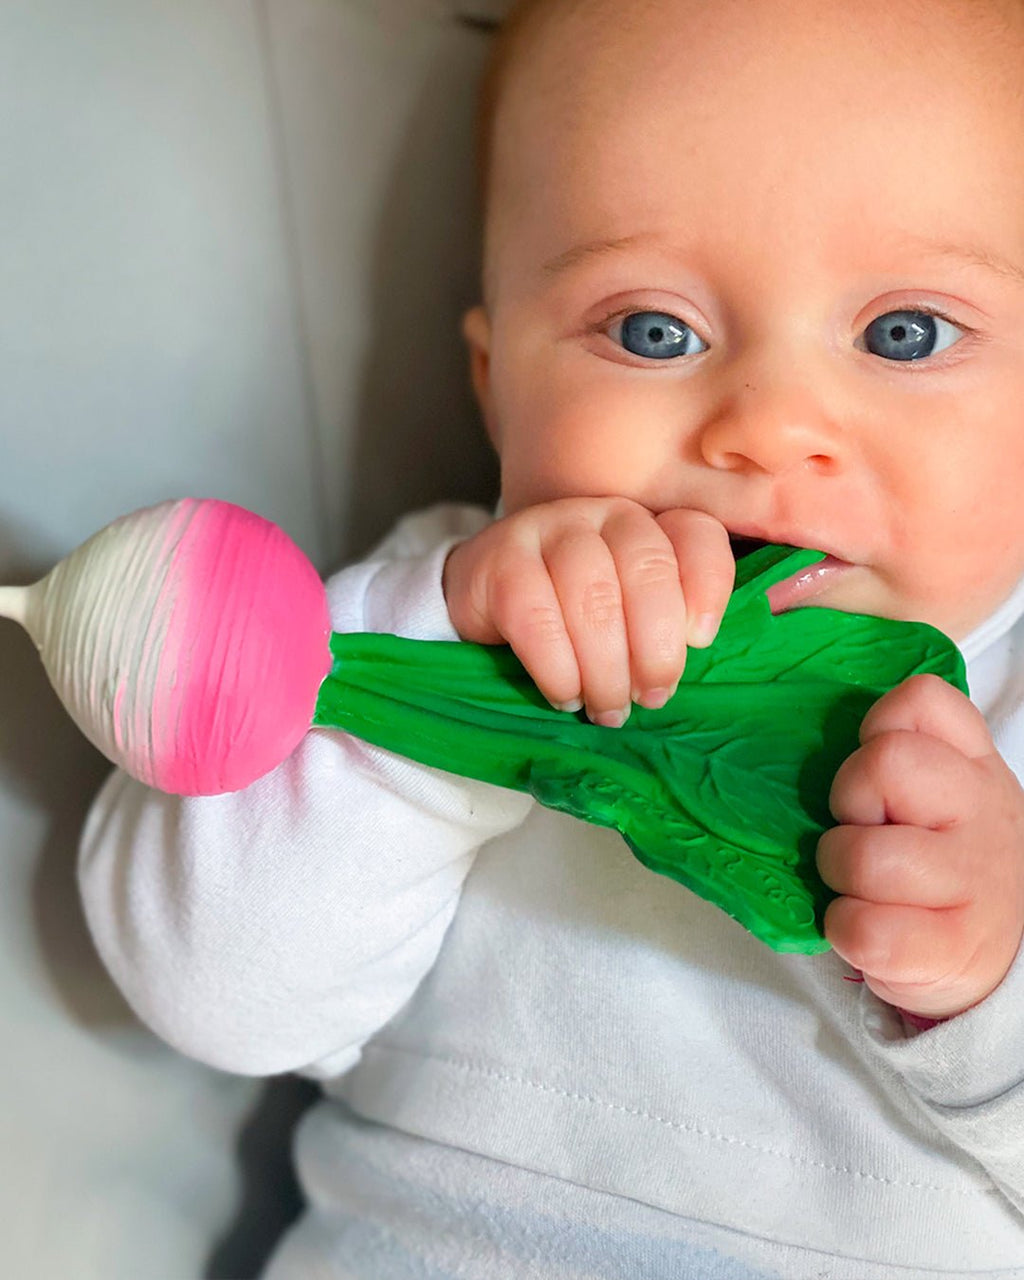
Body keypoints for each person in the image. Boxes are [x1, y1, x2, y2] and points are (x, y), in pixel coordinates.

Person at [79, 0, 1024, 1274]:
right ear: (495, 387)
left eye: (903, 334)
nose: (766, 426)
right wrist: (439, 668)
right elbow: (208, 992)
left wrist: (995, 973)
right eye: (651, 330)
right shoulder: (452, 601)